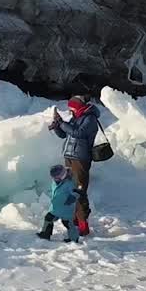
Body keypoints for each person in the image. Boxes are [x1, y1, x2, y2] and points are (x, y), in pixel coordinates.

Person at [49, 94, 101, 237]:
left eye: (72, 108)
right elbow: (65, 135)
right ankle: (75, 220)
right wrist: (57, 125)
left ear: (78, 107)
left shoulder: (90, 118)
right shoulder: (77, 117)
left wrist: (62, 124)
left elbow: (78, 133)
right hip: (69, 157)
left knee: (79, 190)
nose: (70, 110)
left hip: (81, 159)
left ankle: (83, 223)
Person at [36, 164, 81, 243]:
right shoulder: (55, 181)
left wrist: (72, 198)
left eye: (56, 177)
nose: (54, 179)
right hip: (55, 206)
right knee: (48, 218)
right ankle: (45, 234)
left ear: (63, 175)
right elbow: (55, 189)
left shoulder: (70, 183)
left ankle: (74, 238)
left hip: (66, 208)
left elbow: (76, 192)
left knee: (67, 223)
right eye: (53, 177)